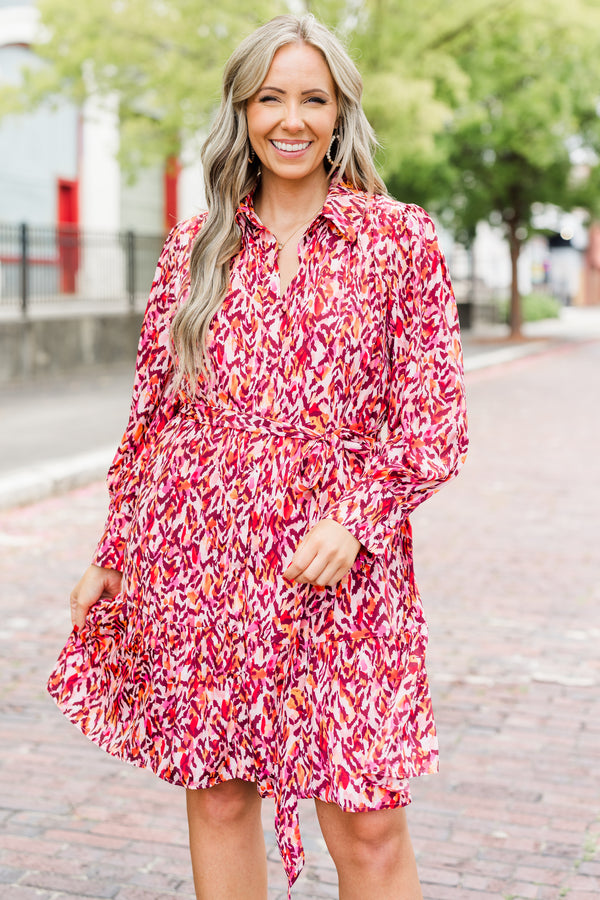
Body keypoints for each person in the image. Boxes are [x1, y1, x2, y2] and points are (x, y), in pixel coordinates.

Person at [48, 13, 468, 900]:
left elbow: (435, 424)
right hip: (203, 550)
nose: (292, 119)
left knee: (369, 822)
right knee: (222, 795)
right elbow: (151, 418)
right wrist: (115, 552)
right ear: (242, 110)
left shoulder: (399, 241)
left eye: (314, 99)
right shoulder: (193, 247)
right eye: (270, 98)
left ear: (341, 111)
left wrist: (355, 520)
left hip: (341, 563)